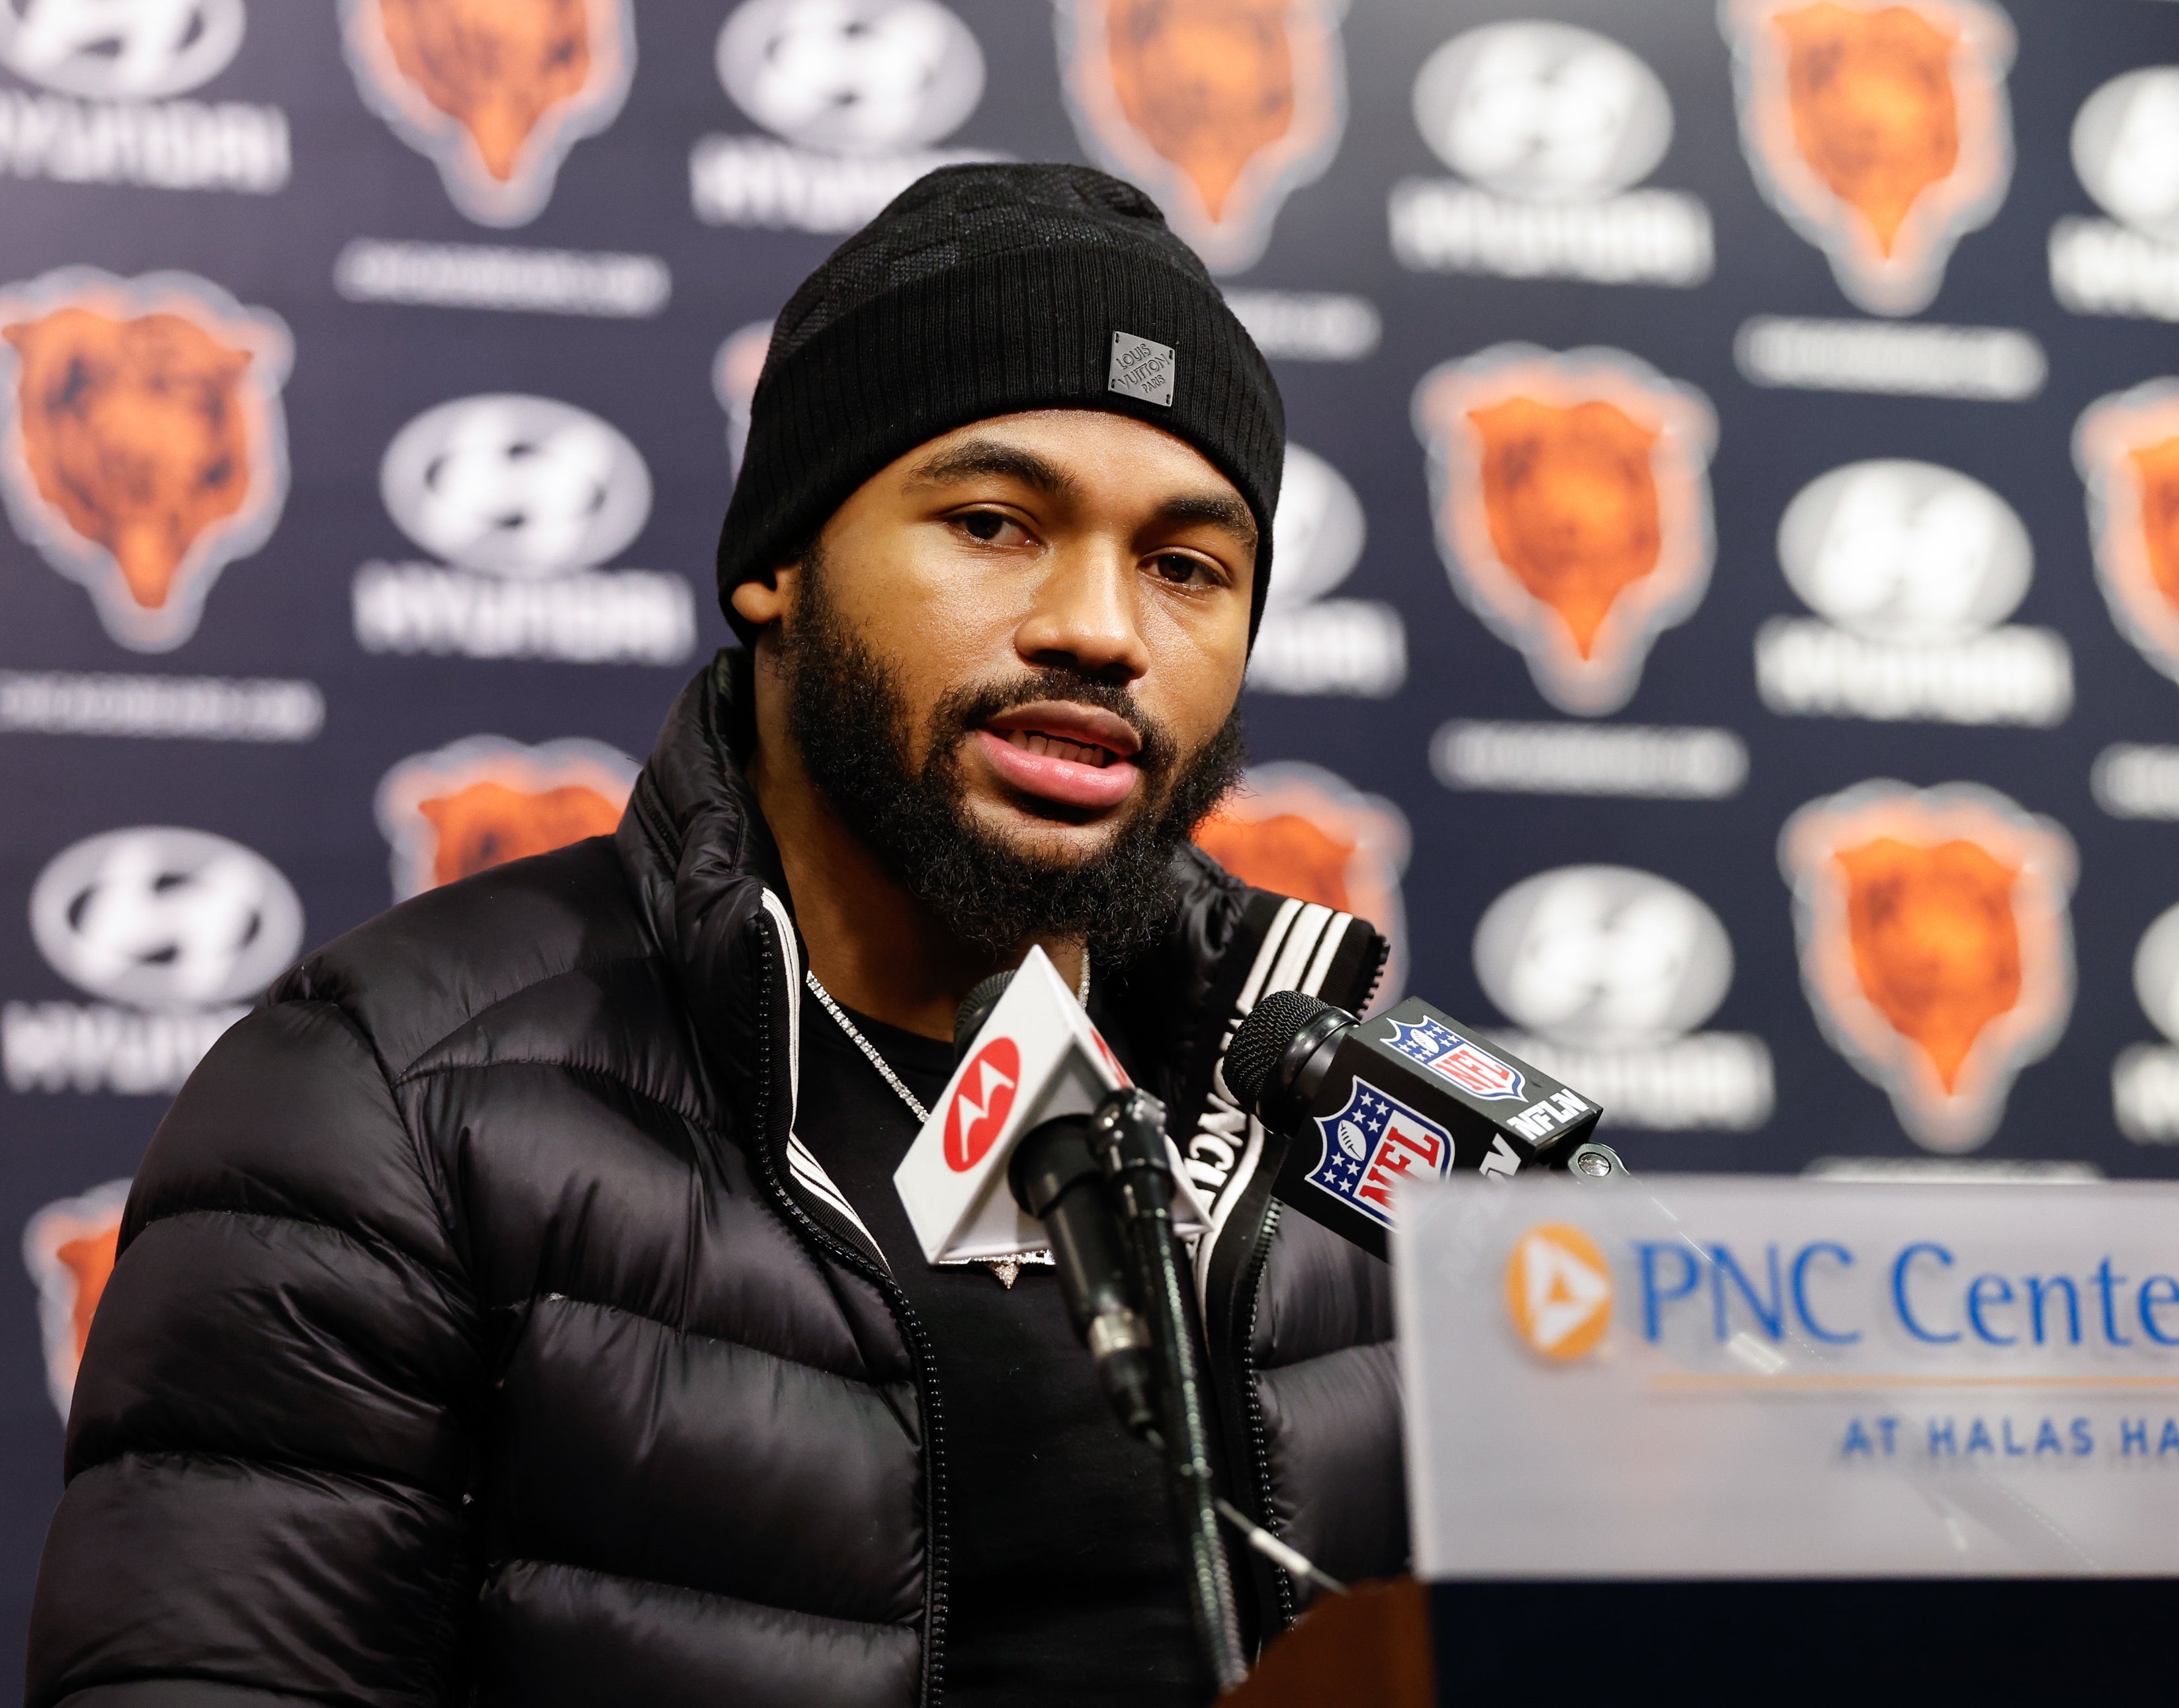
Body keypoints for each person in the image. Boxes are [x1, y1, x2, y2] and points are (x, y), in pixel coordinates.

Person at [26, 164, 1402, 1708]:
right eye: (993, 523)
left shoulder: (1353, 1144)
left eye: (1185, 566)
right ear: (775, 565)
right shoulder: (386, 1105)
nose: (1101, 627)